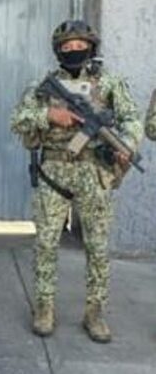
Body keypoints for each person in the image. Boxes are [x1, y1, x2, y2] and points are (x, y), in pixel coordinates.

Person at [10, 19, 143, 343]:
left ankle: (95, 313)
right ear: (58, 51)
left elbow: (132, 119)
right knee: (46, 243)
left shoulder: (109, 82)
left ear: (91, 48)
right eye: (67, 47)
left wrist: (126, 145)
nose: (74, 50)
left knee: (97, 246)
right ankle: (44, 308)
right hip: (54, 171)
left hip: (94, 172)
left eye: (80, 46)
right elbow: (18, 120)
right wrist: (48, 115)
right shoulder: (44, 85)